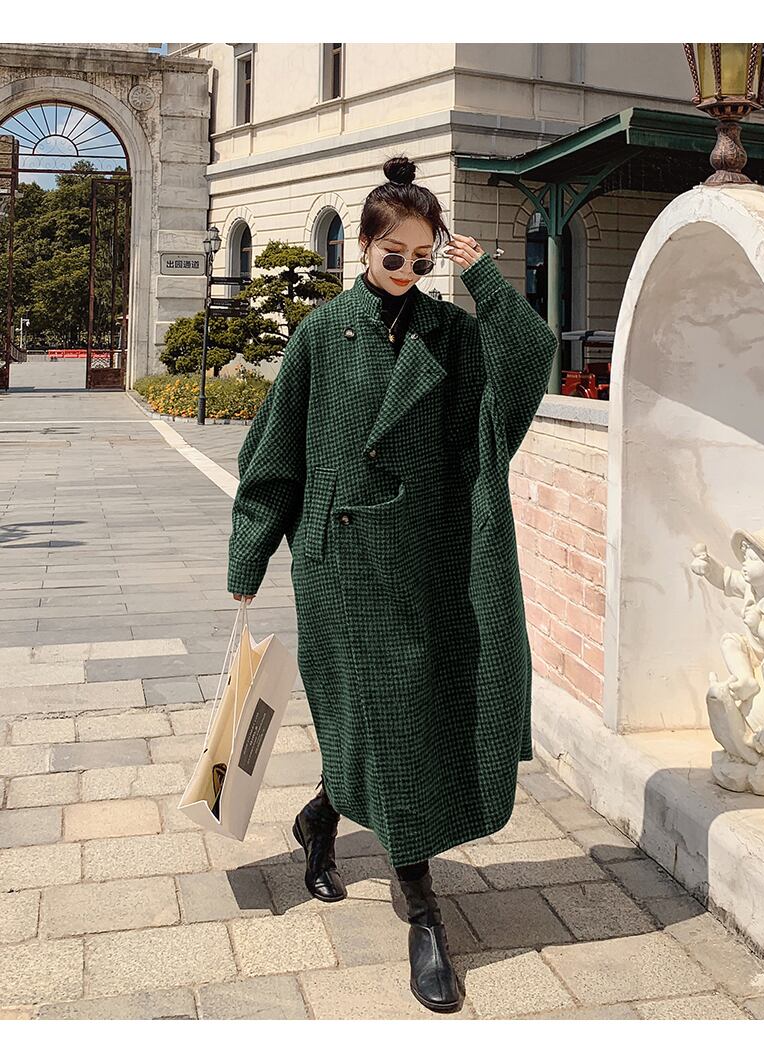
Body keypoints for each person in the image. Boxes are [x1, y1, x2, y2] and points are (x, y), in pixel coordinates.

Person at [229, 155, 558, 1012]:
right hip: (341, 565)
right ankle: (422, 909)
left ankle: (321, 817)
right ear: (361, 249)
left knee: (408, 716)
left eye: (423, 257)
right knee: (382, 715)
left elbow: (529, 365)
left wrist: (486, 281)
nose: (408, 270)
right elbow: (274, 452)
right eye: (393, 256)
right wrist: (249, 557)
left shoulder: (449, 332)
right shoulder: (319, 334)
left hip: (428, 555)